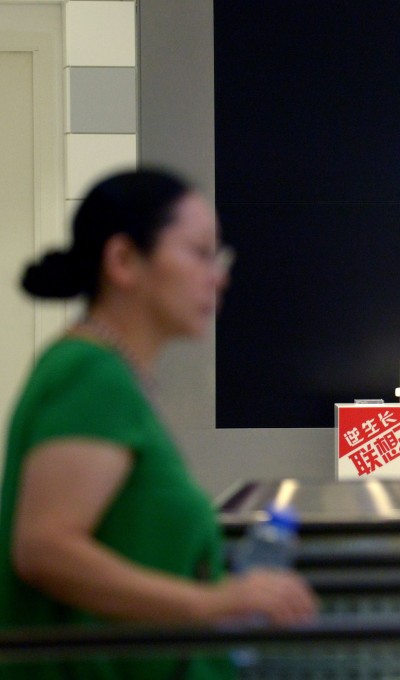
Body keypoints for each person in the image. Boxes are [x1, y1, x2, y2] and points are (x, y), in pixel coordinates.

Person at [0, 169, 319, 678]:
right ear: (124, 260)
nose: (218, 276)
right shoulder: (91, 374)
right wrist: (211, 603)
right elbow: (45, 548)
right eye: (199, 252)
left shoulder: (110, 374)